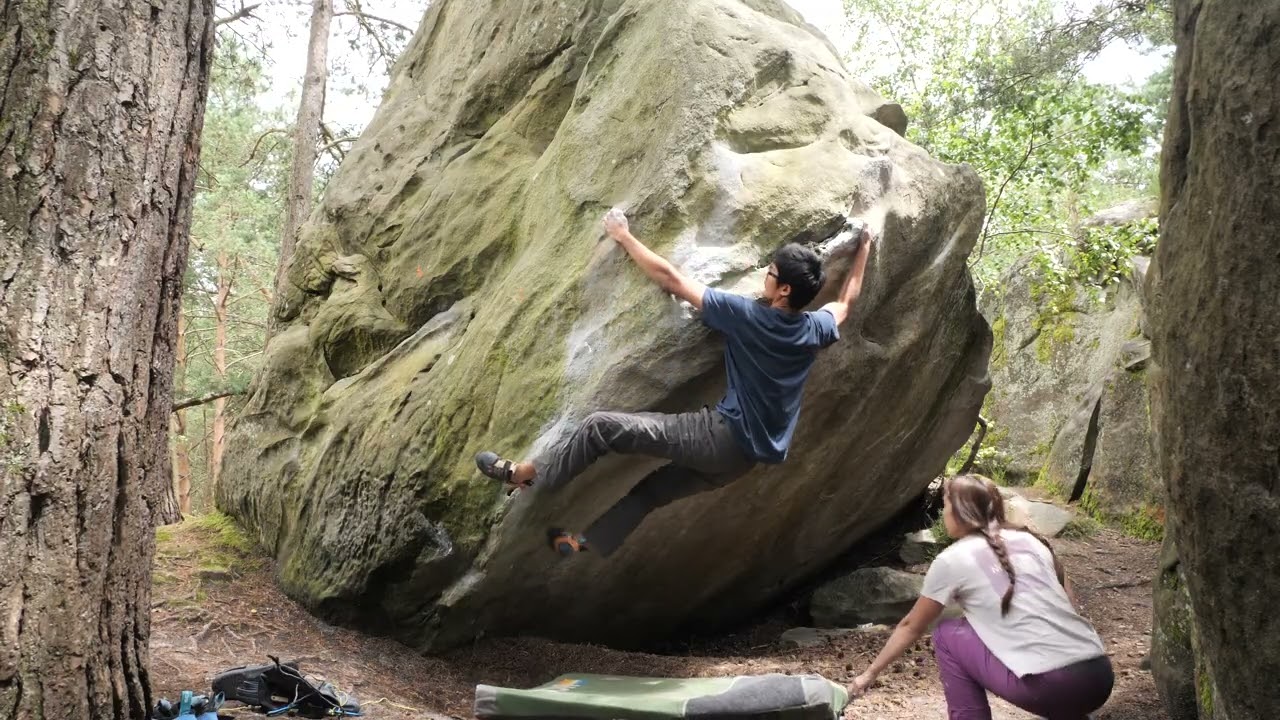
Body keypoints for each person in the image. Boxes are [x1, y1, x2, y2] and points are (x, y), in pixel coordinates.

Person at [474, 207, 875, 557]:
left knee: (601, 427)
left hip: (719, 437)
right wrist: (866, 249)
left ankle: (527, 473)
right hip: (743, 462)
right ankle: (583, 544)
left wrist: (623, 234)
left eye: (770, 273)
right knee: (650, 493)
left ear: (784, 289)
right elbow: (846, 302)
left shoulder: (748, 316)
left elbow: (671, 279)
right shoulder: (814, 328)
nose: (764, 277)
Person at [849, 474, 1114, 720]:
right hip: (1099, 676)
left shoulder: (952, 559)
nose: (944, 513)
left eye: (946, 505)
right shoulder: (1033, 542)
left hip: (1052, 687)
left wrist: (869, 674)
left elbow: (911, 626)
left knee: (947, 633)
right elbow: (1067, 605)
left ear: (961, 512)